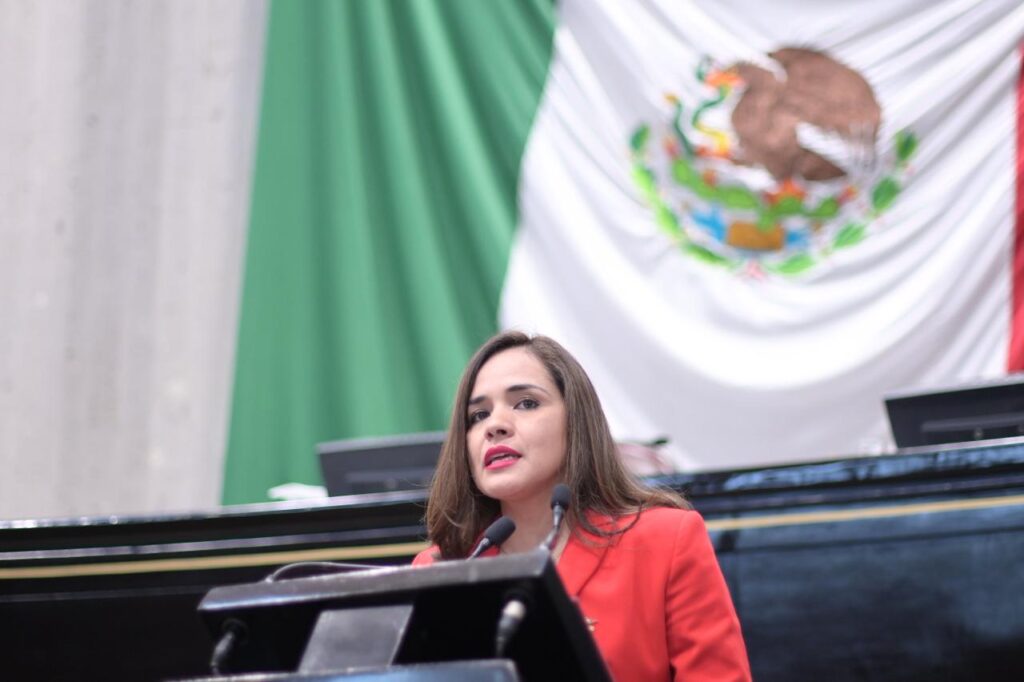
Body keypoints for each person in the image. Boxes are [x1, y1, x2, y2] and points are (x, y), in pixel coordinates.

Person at [413, 331, 751, 682]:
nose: (494, 426)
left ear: (575, 421)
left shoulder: (666, 541)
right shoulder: (440, 569)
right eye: (478, 415)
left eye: (526, 403)